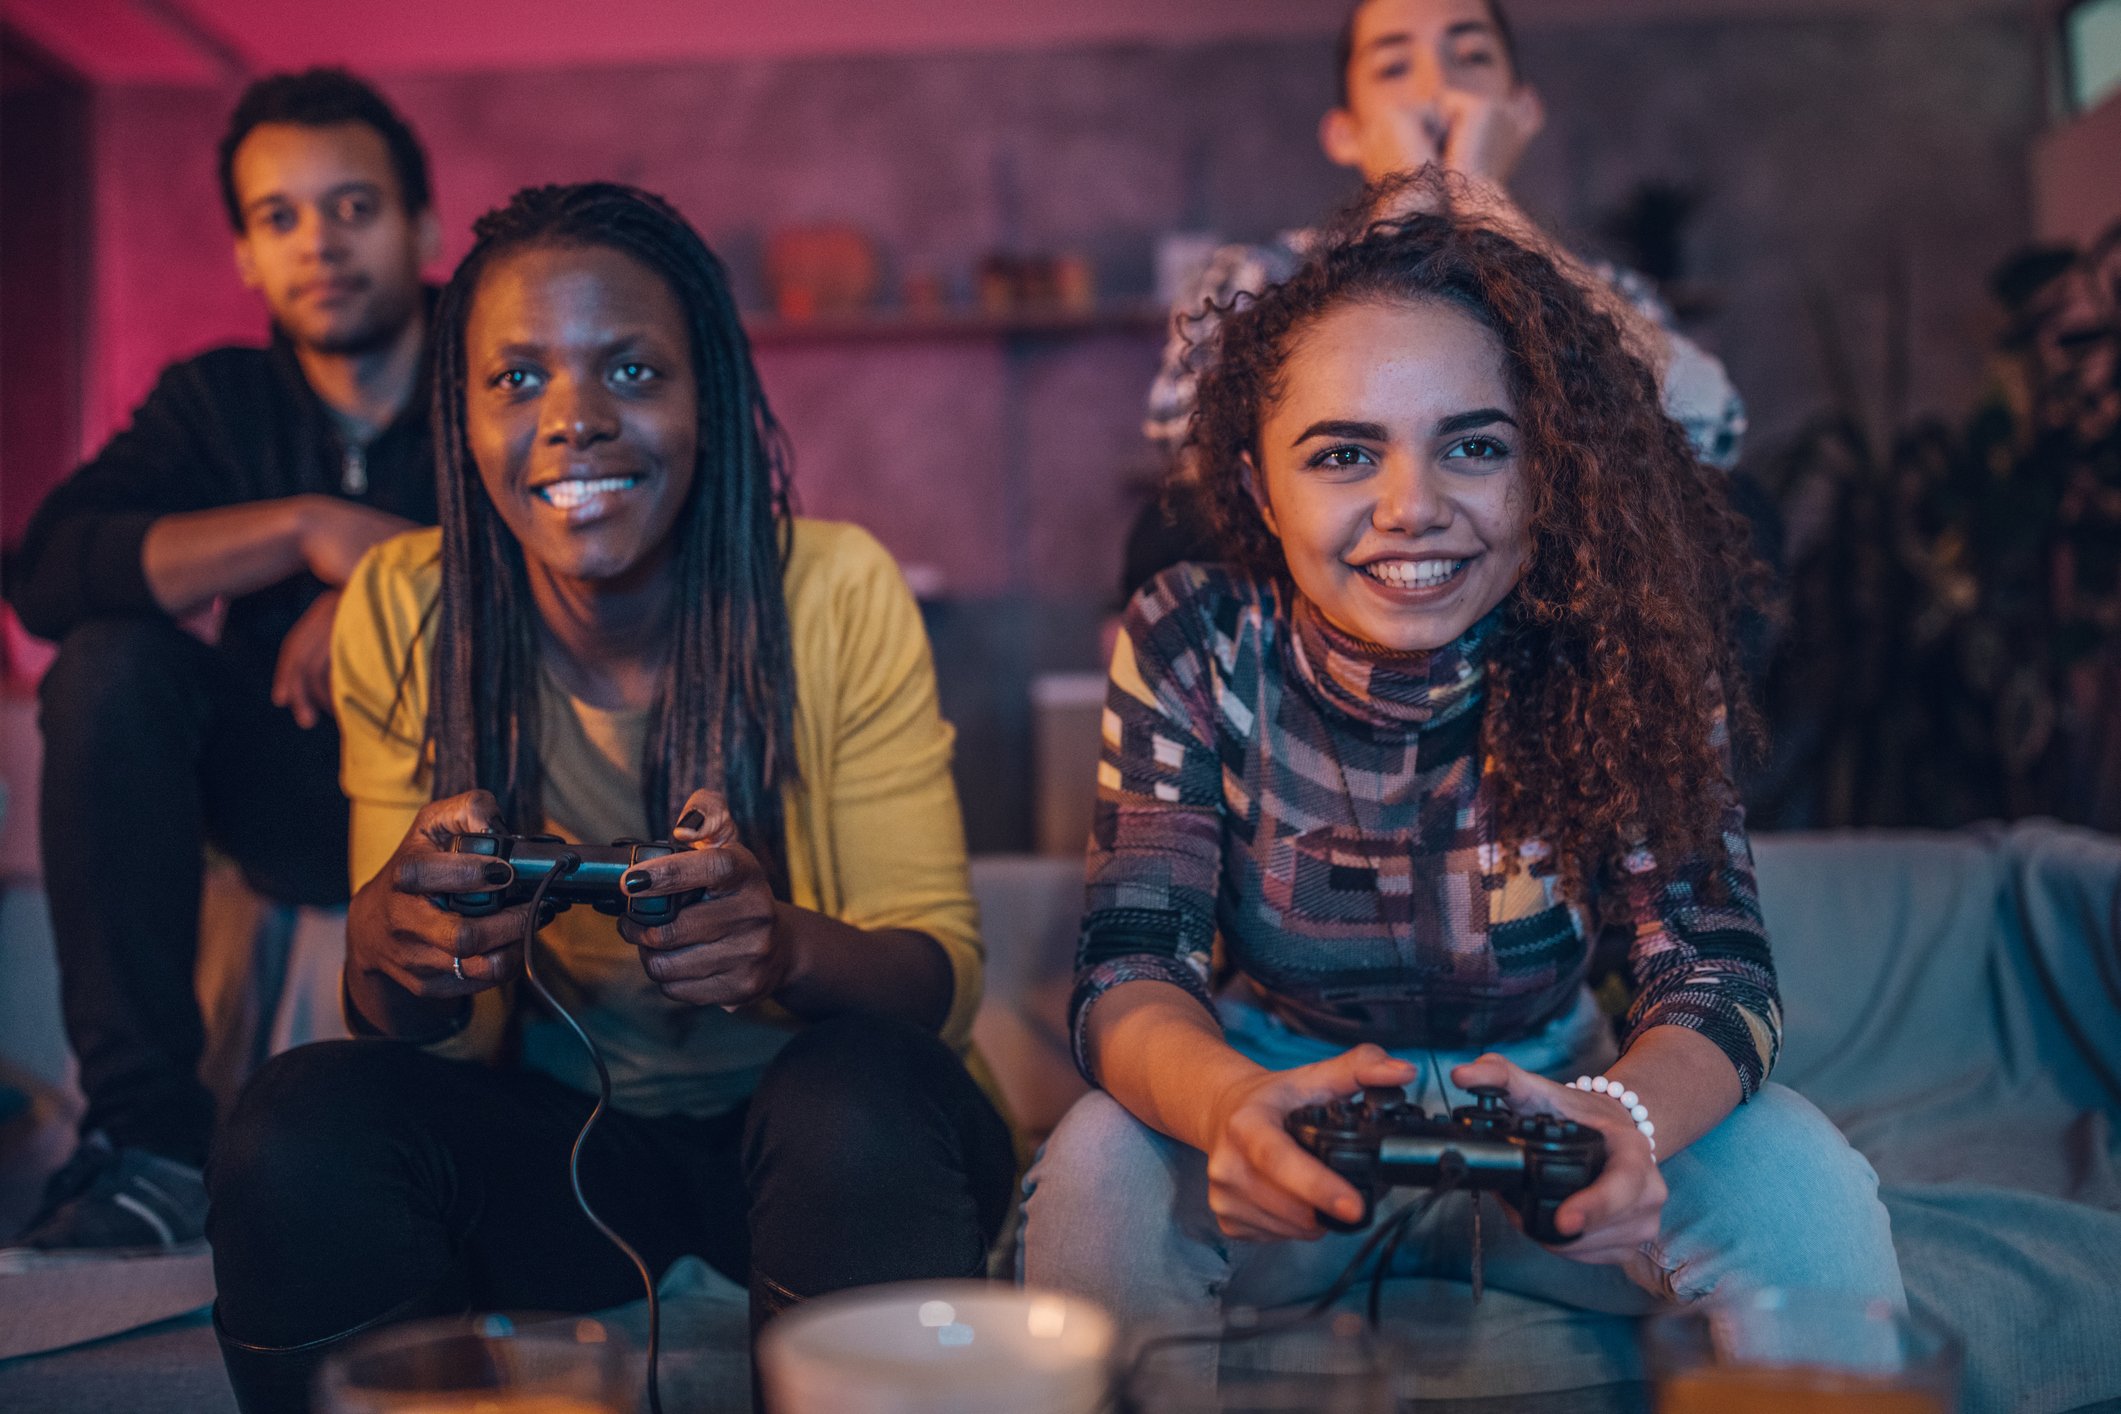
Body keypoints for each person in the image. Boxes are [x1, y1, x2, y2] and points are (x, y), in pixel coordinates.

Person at [1020, 180, 1901, 1384]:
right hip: (1282, 1121)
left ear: (1544, 469)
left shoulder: (1626, 639)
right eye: (1342, 453)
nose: (1411, 508)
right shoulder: (1194, 638)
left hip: (1565, 1125)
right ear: (1259, 482)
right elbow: (1129, 965)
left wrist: (1626, 1121)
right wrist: (1230, 1108)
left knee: (1800, 1171)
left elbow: (1717, 969)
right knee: (1096, 1165)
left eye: (1474, 445)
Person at [205, 183, 1015, 1412]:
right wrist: (394, 951)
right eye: (517, 380)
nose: (574, 420)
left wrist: (781, 943)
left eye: (632, 372)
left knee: (861, 1094)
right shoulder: (401, 608)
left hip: (825, 1150)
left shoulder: (838, 589)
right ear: (461, 416)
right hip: (563, 1151)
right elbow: (435, 1036)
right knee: (294, 1124)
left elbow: (938, 983)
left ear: (711, 401)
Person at [3, 68, 440, 1254]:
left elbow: (595, 550)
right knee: (107, 663)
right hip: (287, 790)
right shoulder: (218, 403)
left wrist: (392, 585)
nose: (320, 244)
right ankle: (149, 1146)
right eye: (279, 218)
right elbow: (45, 570)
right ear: (246, 255)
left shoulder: (492, 367)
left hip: (470, 786)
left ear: (422, 228)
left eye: (354, 207)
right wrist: (302, 529)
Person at [1125, 0, 1747, 599]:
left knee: (1746, 513)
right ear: (1346, 134)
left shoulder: (1604, 289)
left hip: (1554, 606)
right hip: (1317, 603)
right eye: (1394, 67)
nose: (1436, 86)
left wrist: (1483, 203)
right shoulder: (1255, 274)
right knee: (1165, 532)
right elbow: (1190, 448)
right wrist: (1409, 204)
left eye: (1470, 57)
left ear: (1521, 111)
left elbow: (1710, 437)